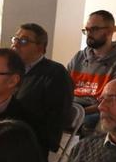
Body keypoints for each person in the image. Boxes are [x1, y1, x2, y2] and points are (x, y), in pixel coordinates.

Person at [68, 10, 116, 130]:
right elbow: (63, 86)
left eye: (94, 29)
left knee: (90, 122)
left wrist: (81, 112)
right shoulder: (79, 57)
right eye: (87, 30)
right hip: (74, 106)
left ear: (109, 31)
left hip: (98, 110)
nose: (89, 34)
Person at [11, 23, 74, 152]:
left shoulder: (55, 74)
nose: (15, 45)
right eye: (15, 39)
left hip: (30, 142)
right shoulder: (9, 68)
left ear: (40, 47)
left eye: (23, 41)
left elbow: (54, 118)